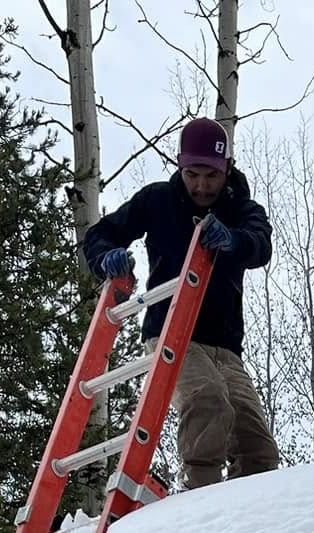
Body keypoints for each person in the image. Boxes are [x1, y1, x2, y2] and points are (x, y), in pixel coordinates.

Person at [83, 118, 282, 490]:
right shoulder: (158, 200)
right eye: (193, 174)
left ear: (226, 170)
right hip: (172, 335)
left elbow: (260, 244)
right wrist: (107, 256)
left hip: (225, 348)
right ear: (180, 165)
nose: (202, 186)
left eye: (211, 176)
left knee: (257, 443)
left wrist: (234, 241)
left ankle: (253, 521)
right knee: (208, 401)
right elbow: (102, 234)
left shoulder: (242, 209)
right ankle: (198, 500)